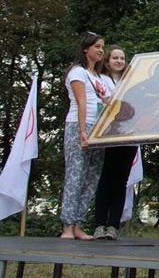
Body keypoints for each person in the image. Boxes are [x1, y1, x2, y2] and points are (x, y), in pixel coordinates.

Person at [60, 33, 108, 240]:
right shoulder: (77, 72)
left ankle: (79, 223)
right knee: (75, 174)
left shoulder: (99, 77)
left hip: (99, 129)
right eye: (96, 46)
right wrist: (82, 132)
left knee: (91, 177)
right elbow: (81, 102)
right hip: (79, 126)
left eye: (102, 47)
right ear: (85, 49)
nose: (100, 50)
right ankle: (67, 226)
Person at [93, 45, 137, 241]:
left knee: (121, 181)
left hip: (128, 135)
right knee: (106, 179)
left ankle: (113, 226)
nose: (119, 61)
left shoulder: (132, 83)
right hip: (107, 135)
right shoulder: (100, 80)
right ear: (108, 62)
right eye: (115, 58)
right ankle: (99, 224)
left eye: (122, 58)